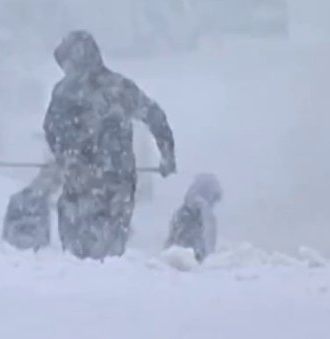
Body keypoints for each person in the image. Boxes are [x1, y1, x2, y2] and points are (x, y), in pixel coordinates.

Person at [42, 30, 176, 260]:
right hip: (117, 187)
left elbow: (51, 131)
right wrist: (167, 155)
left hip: (79, 187)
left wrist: (66, 156)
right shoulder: (119, 88)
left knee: (76, 257)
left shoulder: (63, 92)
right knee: (111, 254)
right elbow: (155, 117)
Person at [165, 173, 222, 263]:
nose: (214, 204)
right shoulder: (203, 210)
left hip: (180, 254)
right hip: (189, 258)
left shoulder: (184, 211)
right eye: (214, 199)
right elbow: (209, 239)